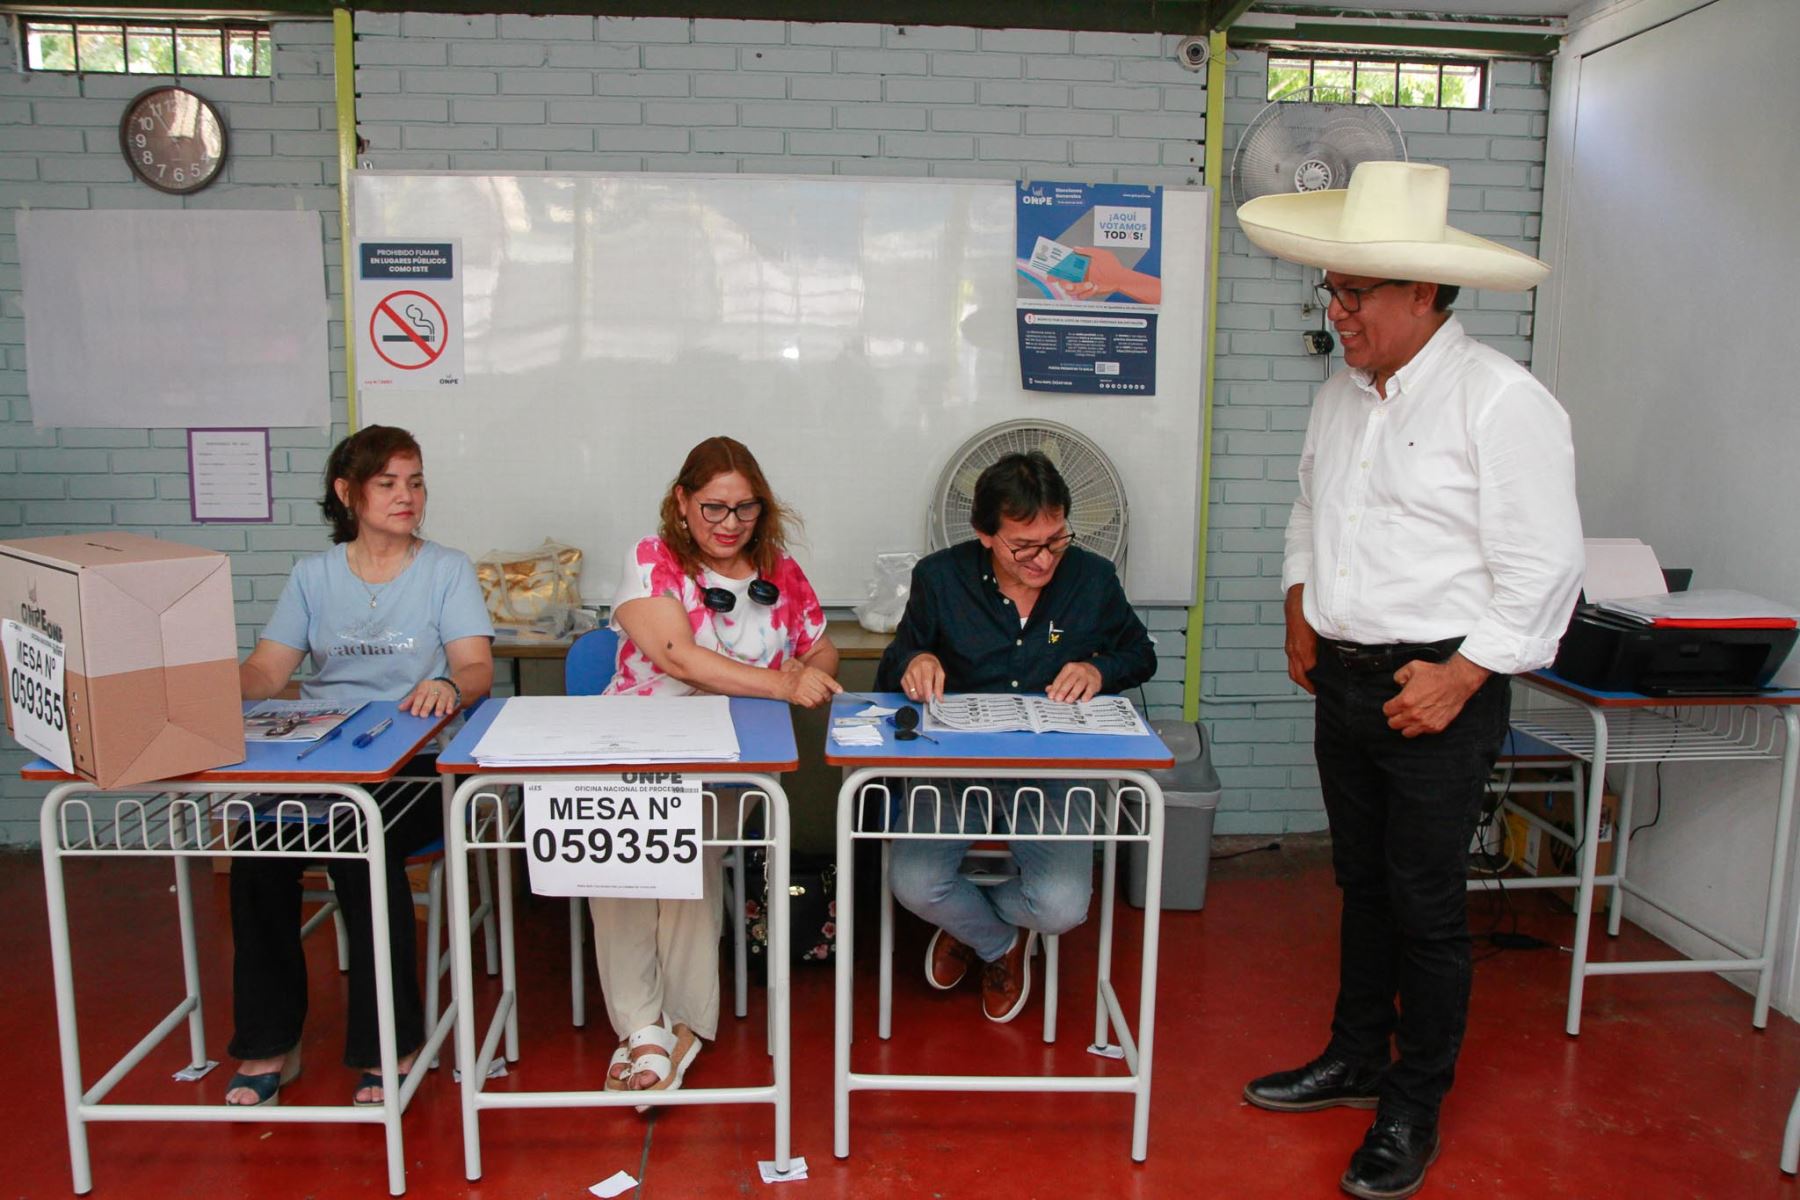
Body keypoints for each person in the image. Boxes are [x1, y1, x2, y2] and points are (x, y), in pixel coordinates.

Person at [1235, 161, 1585, 1199]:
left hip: (1438, 686)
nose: (1336, 314)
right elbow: (1310, 510)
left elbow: (1545, 567)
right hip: (1342, 682)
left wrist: (1465, 675)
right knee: (1361, 885)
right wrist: (1300, 603)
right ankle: (1353, 1058)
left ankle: (1411, 1103)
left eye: (1354, 294)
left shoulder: (1503, 402)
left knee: (1428, 905)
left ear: (1425, 293)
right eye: (1331, 292)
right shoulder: (1341, 398)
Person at [225, 425, 494, 1107]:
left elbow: (476, 668)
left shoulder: (446, 569)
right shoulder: (313, 576)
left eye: (416, 481)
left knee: (357, 847)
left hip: (416, 766)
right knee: (256, 848)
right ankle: (269, 1043)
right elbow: (267, 670)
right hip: (325, 761)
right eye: (388, 484)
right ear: (348, 493)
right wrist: (210, 687)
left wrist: (450, 690)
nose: (407, 497)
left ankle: (392, 1043)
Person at [596, 435, 840, 1100]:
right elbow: (675, 654)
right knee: (619, 859)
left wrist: (807, 672)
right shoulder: (653, 560)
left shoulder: (779, 568)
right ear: (681, 501)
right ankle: (639, 1025)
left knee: (686, 851)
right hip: (636, 750)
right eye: (713, 509)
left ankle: (681, 1024)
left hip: (732, 761)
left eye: (744, 510)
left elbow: (822, 649)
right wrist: (781, 684)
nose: (729, 526)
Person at [875, 451, 1156, 1023]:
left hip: (1054, 766)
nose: (1043, 559)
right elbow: (895, 664)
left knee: (1060, 907)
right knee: (914, 883)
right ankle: (998, 941)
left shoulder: (1092, 578)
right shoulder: (940, 577)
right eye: (1023, 546)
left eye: (1055, 540)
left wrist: (1100, 670)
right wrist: (918, 659)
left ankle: (977, 928)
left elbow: (1140, 653)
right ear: (984, 534)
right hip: (955, 766)